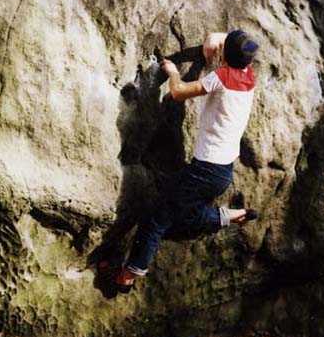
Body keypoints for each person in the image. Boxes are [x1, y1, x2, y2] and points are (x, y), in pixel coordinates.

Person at [100, 30, 259, 293]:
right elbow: (229, 40)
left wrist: (173, 71)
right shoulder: (248, 74)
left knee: (155, 219)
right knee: (180, 212)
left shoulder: (220, 78)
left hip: (205, 171)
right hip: (221, 171)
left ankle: (125, 278)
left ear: (226, 54)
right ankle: (228, 216)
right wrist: (213, 39)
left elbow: (177, 92)